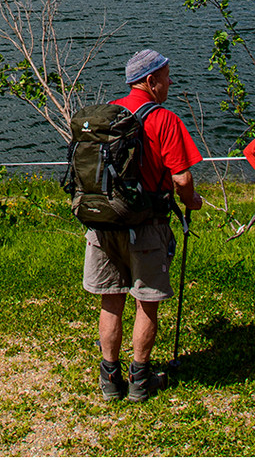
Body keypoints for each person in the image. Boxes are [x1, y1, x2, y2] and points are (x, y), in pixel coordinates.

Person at [84, 48, 205, 402]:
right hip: (147, 224)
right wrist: (191, 202)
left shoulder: (109, 112)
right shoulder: (164, 119)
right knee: (145, 303)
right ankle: (140, 379)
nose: (169, 84)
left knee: (111, 301)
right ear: (151, 81)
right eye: (166, 78)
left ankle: (109, 379)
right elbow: (181, 179)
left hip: (104, 223)